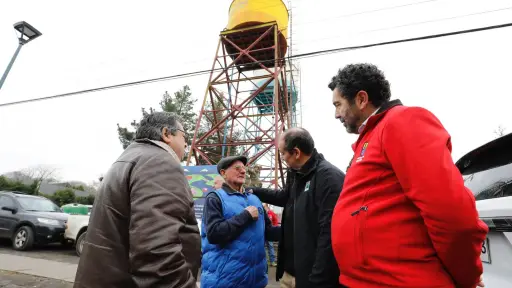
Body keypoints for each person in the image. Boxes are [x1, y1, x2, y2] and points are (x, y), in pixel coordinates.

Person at [327, 63, 488, 288]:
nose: (336, 114)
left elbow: (450, 211)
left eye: (338, 104)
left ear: (361, 99)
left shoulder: (402, 121)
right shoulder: (370, 137)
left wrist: (467, 276)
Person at [74, 112, 201, 288]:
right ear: (166, 134)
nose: (186, 143)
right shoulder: (159, 162)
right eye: (183, 135)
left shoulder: (127, 160)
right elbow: (157, 253)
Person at [248, 127, 345, 288]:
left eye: (282, 153)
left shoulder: (328, 178)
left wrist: (317, 280)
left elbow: (329, 234)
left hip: (312, 278)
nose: (282, 158)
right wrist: (254, 191)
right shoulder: (295, 173)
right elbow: (284, 197)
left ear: (296, 153)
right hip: (290, 273)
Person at [200, 155, 280, 288]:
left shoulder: (255, 199)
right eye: (237, 168)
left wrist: (293, 229)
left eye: (244, 168)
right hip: (224, 282)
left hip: (256, 282)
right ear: (223, 173)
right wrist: (245, 216)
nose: (243, 171)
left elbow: (269, 232)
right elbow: (214, 234)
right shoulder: (214, 198)